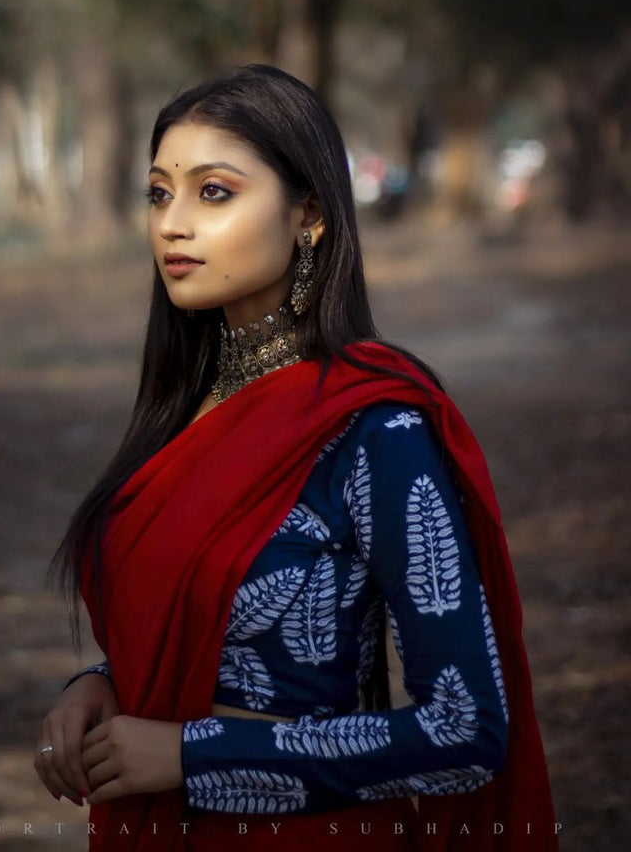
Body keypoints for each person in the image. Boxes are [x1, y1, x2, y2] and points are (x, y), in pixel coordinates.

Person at [35, 65, 559, 851]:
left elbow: (466, 728)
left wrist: (188, 754)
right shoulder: (188, 408)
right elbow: (198, 619)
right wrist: (102, 684)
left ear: (308, 214)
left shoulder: (375, 427)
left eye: (214, 192)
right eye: (158, 193)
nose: (173, 224)